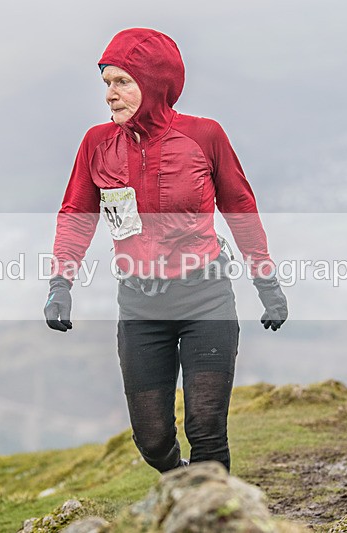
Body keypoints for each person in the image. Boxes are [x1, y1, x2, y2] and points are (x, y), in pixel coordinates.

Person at [44, 28, 287, 473]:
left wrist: (266, 282)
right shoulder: (97, 144)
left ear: (153, 83)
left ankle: (214, 515)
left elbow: (240, 206)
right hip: (140, 306)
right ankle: (181, 490)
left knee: (207, 427)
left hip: (205, 298)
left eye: (122, 82)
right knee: (153, 439)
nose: (110, 96)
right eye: (106, 84)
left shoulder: (205, 136)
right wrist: (61, 283)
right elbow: (77, 213)